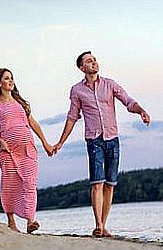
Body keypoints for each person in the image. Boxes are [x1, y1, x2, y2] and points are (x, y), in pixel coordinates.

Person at [52, 51, 150, 238]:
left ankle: (103, 226)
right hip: (94, 140)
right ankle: (98, 225)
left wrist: (141, 111)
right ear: (82, 68)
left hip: (112, 139)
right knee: (97, 183)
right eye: (89, 61)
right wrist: (61, 142)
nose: (94, 62)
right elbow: (72, 117)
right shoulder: (77, 90)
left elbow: (128, 101)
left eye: (95, 59)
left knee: (110, 184)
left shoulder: (110, 84)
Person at [0, 68, 53, 234]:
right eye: (7, 78)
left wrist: (45, 143)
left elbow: (33, 123)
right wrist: (0, 141)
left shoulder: (20, 102)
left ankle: (30, 221)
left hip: (27, 149)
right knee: (10, 185)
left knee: (30, 183)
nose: (11, 81)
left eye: (12, 78)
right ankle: (11, 221)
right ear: (0, 83)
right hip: (8, 150)